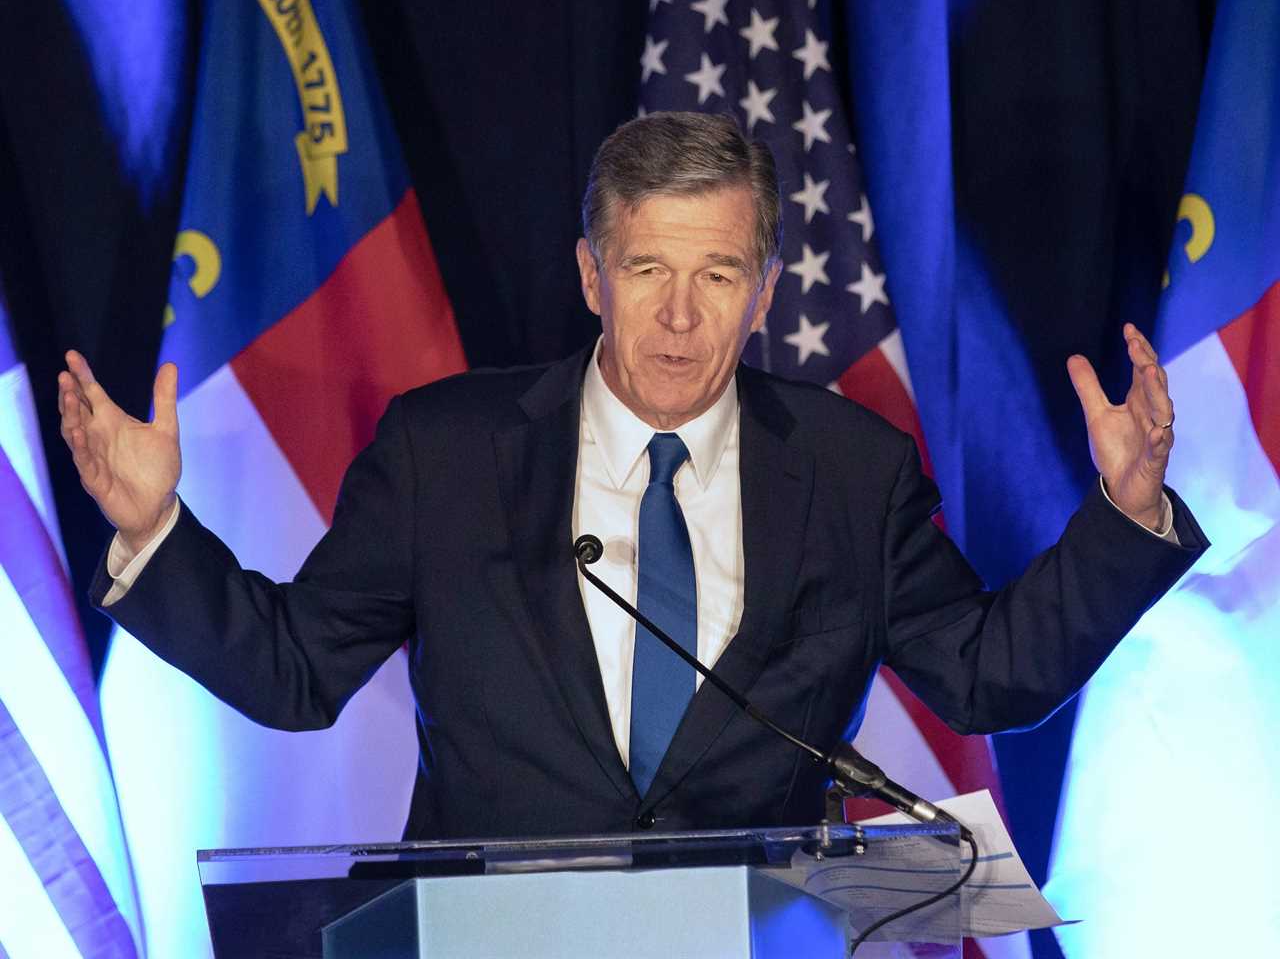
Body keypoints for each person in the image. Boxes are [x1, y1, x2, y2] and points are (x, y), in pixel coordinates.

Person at [58, 112, 1206, 840]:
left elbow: (984, 679)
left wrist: (1127, 512)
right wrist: (154, 528)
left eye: (715, 274)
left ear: (762, 291)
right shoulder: (446, 453)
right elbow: (294, 672)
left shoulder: (851, 470)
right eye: (644, 266)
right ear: (590, 275)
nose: (676, 314)